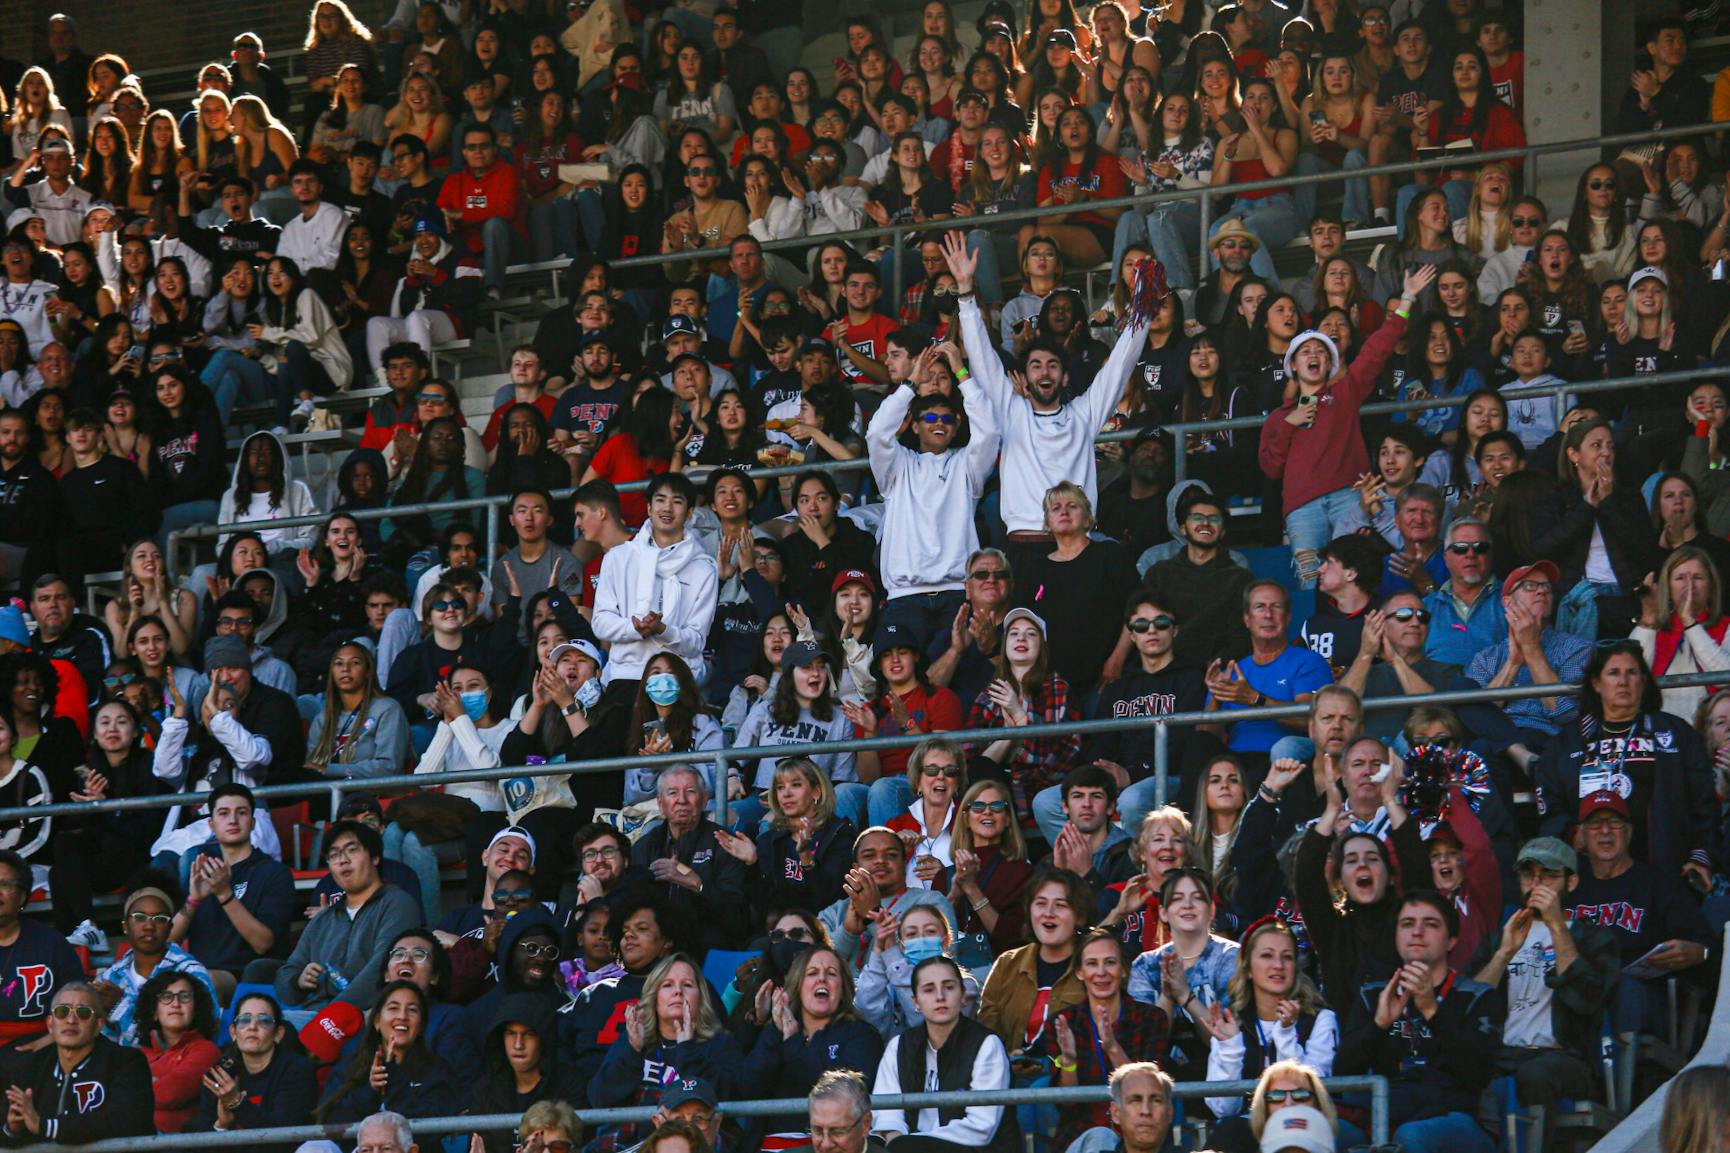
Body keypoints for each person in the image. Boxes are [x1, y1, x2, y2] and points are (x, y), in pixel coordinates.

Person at [942, 230, 1150, 570]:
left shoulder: (1084, 414)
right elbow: (981, 358)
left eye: (1053, 365)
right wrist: (965, 293)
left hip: (1080, 543)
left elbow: (1120, 365)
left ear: (1065, 377)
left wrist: (1143, 311)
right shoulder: (1012, 413)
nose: (1044, 372)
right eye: (1035, 365)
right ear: (1024, 376)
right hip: (1025, 545)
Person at [1470, 837, 1619, 1147]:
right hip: (1503, 1053)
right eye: (1528, 874)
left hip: (1565, 1058)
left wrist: (1556, 927)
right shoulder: (1502, 935)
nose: (1536, 884)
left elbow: (1587, 1000)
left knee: (1534, 1074)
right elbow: (1470, 1006)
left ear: (1572, 881)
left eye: (1549, 875)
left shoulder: (1594, 937)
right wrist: (1503, 954)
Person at [1335, 890, 1505, 1153]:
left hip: (1459, 1120)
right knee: (1317, 1129)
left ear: (1451, 941)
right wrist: (1378, 1025)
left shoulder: (1478, 997)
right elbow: (1343, 1072)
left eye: (1431, 923)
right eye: (1407, 924)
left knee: (1411, 1136)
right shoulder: (1373, 995)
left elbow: (1476, 1074)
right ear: (1396, 937)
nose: (1417, 931)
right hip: (1382, 1113)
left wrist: (1431, 1011)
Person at [1534, 642, 1714, 881]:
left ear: (1644, 681)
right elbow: (1550, 804)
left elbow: (1705, 805)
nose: (1623, 681)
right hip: (1589, 874)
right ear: (1596, 684)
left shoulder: (1677, 734)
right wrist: (1571, 832)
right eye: (1613, 673)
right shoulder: (1567, 743)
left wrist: (1700, 857)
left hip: (1665, 872)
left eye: (1632, 673)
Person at [867, 348, 999, 650]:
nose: (939, 423)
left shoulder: (966, 466)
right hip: (904, 596)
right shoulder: (898, 466)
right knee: (903, 686)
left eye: (947, 419)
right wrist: (911, 384)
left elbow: (989, 432)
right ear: (914, 424)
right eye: (929, 417)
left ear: (956, 427)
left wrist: (960, 373)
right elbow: (876, 434)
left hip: (957, 594)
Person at [589, 953, 744, 1148]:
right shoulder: (635, 1039)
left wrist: (688, 1050)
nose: (678, 991)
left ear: (701, 996)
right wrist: (633, 1050)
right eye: (667, 985)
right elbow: (600, 1099)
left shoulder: (719, 1042)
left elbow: (732, 1099)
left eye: (687, 985)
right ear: (654, 996)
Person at [873, 956, 1017, 1152]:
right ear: (915, 1001)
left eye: (949, 987)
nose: (940, 996)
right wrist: (897, 1141)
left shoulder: (987, 1044)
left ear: (963, 994)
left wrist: (910, 1144)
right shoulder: (899, 1047)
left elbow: (981, 1128)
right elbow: (888, 1114)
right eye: (929, 989)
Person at [275, 820, 421, 1013]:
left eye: (351, 850)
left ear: (375, 857)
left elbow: (380, 970)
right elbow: (286, 976)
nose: (342, 860)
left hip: (370, 1016)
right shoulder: (323, 918)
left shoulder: (398, 904)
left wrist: (331, 1016)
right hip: (315, 1016)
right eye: (333, 855)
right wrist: (298, 980)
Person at [591, 472, 718, 689]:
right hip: (626, 674)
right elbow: (601, 623)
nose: (667, 508)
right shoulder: (618, 557)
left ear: (689, 513)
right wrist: (635, 628)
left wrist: (662, 630)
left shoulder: (704, 568)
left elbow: (696, 641)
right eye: (660, 500)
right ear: (649, 508)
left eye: (677, 502)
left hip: (678, 676)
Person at [169, 784, 295, 996]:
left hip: (249, 980)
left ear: (253, 822)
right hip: (199, 976)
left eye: (242, 812)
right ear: (211, 824)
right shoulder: (201, 871)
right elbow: (166, 944)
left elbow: (263, 944)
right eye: (223, 813)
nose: (233, 820)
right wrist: (193, 900)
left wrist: (224, 894)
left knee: (193, 985)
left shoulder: (275, 873)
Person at [0, 982, 152, 1143]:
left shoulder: (127, 1062)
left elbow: (128, 1122)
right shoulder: (30, 1067)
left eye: (84, 1012)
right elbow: (6, 1134)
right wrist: (13, 1129)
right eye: (62, 1012)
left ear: (99, 1025)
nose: (71, 1019)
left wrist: (45, 1126)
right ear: (50, 1024)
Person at [630, 765, 749, 952]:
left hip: (709, 946)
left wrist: (697, 884)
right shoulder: (645, 846)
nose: (682, 800)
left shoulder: (724, 842)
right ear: (661, 804)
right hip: (656, 949)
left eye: (690, 791)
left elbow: (737, 921)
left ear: (703, 801)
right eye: (673, 793)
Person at [315, 980, 467, 1124]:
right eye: (393, 1008)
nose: (402, 1016)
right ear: (376, 1022)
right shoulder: (350, 1066)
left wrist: (394, 1081)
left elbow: (433, 1129)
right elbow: (329, 1124)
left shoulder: (437, 1070)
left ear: (421, 1026)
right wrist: (370, 1091)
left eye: (412, 1010)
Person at [93, 884, 216, 1047]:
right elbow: (104, 1042)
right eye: (139, 917)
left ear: (170, 928)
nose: (149, 926)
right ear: (125, 925)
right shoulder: (111, 978)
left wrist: (121, 1006)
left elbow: (199, 1038)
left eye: (159, 919)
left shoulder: (190, 972)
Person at [1143, 489, 1251, 670]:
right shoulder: (1159, 573)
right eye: (1197, 517)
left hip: (1215, 673)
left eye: (1214, 519)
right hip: (1164, 670)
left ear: (1223, 531)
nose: (1206, 523)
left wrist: (1213, 667)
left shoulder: (1240, 578)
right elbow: (1146, 626)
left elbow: (1240, 638)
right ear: (1183, 528)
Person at [184, 990, 319, 1134]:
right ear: (233, 1033)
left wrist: (236, 1102)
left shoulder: (296, 1070)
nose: (252, 1026)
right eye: (244, 1020)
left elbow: (282, 1136)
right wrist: (222, 1125)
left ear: (278, 1034)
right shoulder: (220, 1073)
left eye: (264, 1021)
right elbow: (203, 1137)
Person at [137, 970, 222, 1133]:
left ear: (196, 1009)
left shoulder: (206, 1050)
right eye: (166, 997)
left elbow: (171, 1093)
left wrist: (138, 1087)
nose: (175, 1003)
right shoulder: (139, 1054)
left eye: (184, 997)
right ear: (154, 1012)